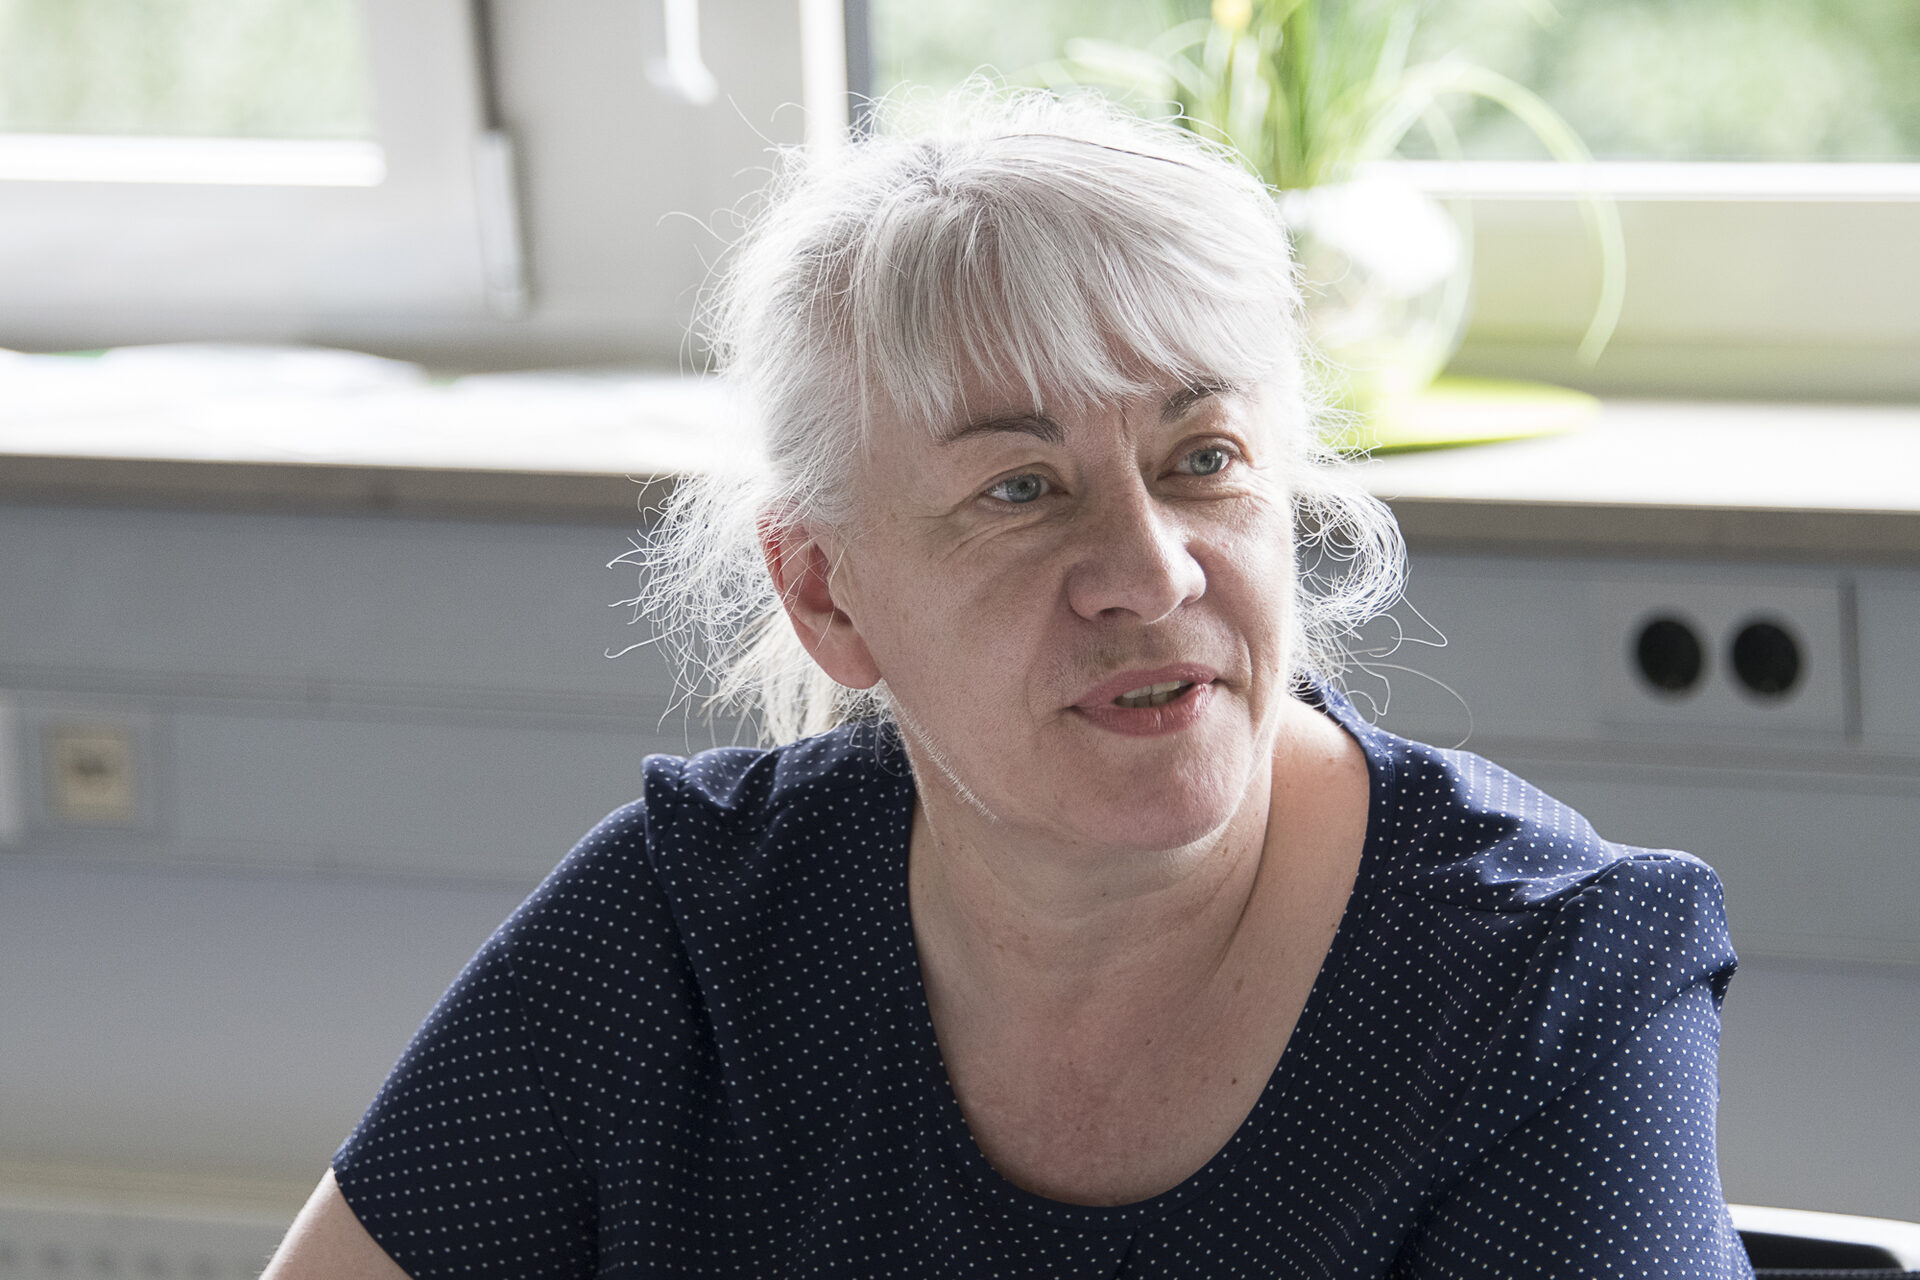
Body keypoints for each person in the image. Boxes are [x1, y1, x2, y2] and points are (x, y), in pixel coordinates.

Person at [263, 88, 1753, 1278]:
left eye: (1203, 460)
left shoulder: (1549, 980)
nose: (1151, 573)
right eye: (1021, 490)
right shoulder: (677, 935)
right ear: (827, 592)